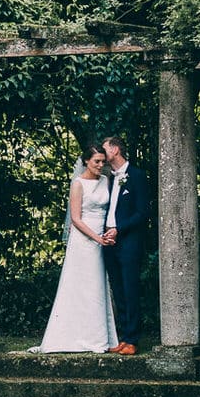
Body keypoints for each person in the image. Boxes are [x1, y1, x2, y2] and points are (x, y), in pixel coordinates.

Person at [30, 144, 119, 353]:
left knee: (98, 287)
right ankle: (76, 337)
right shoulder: (78, 184)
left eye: (102, 161)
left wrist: (109, 232)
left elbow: (110, 210)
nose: (100, 165)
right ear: (86, 161)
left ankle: (99, 337)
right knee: (81, 286)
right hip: (84, 240)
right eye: (96, 161)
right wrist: (98, 238)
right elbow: (76, 219)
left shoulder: (106, 181)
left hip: (102, 237)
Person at [101, 137, 149, 355]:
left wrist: (119, 228)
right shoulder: (108, 179)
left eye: (105, 150)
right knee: (118, 290)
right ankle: (123, 337)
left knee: (131, 289)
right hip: (108, 241)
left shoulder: (137, 176)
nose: (102, 155)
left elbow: (142, 212)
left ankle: (133, 339)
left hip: (129, 240)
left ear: (116, 149)